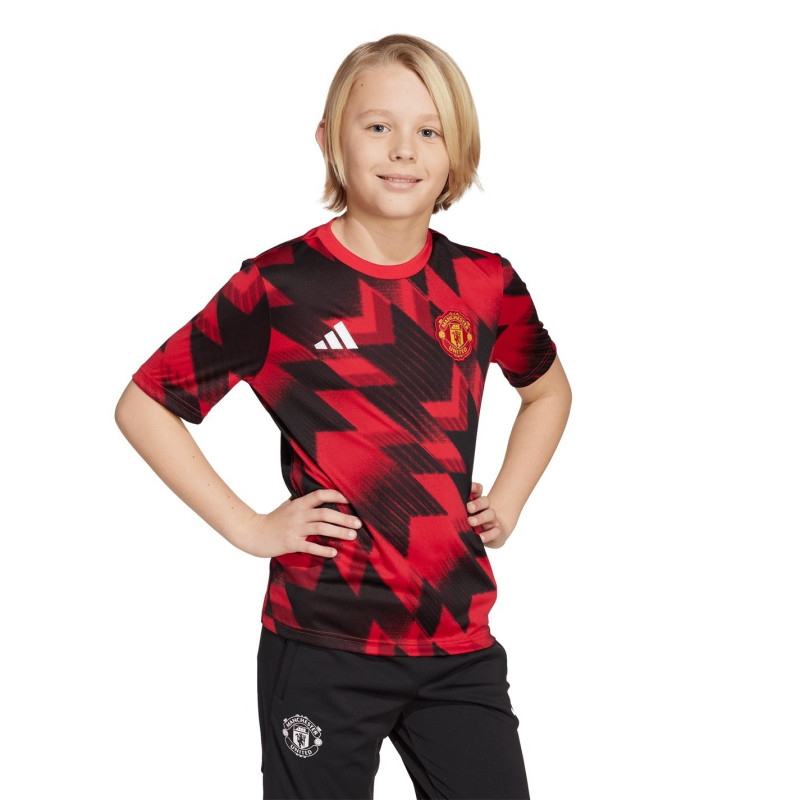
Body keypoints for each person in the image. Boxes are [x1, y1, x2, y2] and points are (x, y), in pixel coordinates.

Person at [115, 33, 571, 800]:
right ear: (331, 140)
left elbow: (548, 393)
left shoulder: (485, 284)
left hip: (455, 644)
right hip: (322, 642)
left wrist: (512, 499)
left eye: (429, 130)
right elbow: (146, 404)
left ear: (458, 150)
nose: (403, 150)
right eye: (378, 125)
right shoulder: (279, 287)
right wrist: (249, 527)